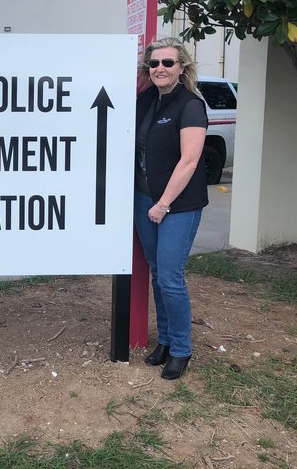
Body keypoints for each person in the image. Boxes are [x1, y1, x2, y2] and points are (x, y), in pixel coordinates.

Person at [133, 37, 208, 380]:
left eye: (168, 63)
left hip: (177, 206)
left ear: (182, 68)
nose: (160, 68)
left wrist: (164, 204)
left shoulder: (190, 105)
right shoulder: (148, 99)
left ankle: (181, 349)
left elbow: (190, 161)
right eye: (154, 63)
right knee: (157, 273)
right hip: (145, 199)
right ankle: (164, 341)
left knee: (171, 277)